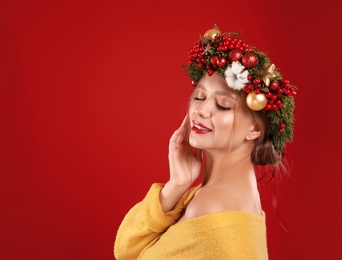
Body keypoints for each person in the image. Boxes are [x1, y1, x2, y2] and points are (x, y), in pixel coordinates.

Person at [114, 24, 297, 259]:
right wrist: (176, 186)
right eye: (199, 96)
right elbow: (126, 249)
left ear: (254, 129)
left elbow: (127, 252)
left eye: (223, 105)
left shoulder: (210, 207)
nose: (200, 110)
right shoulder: (230, 200)